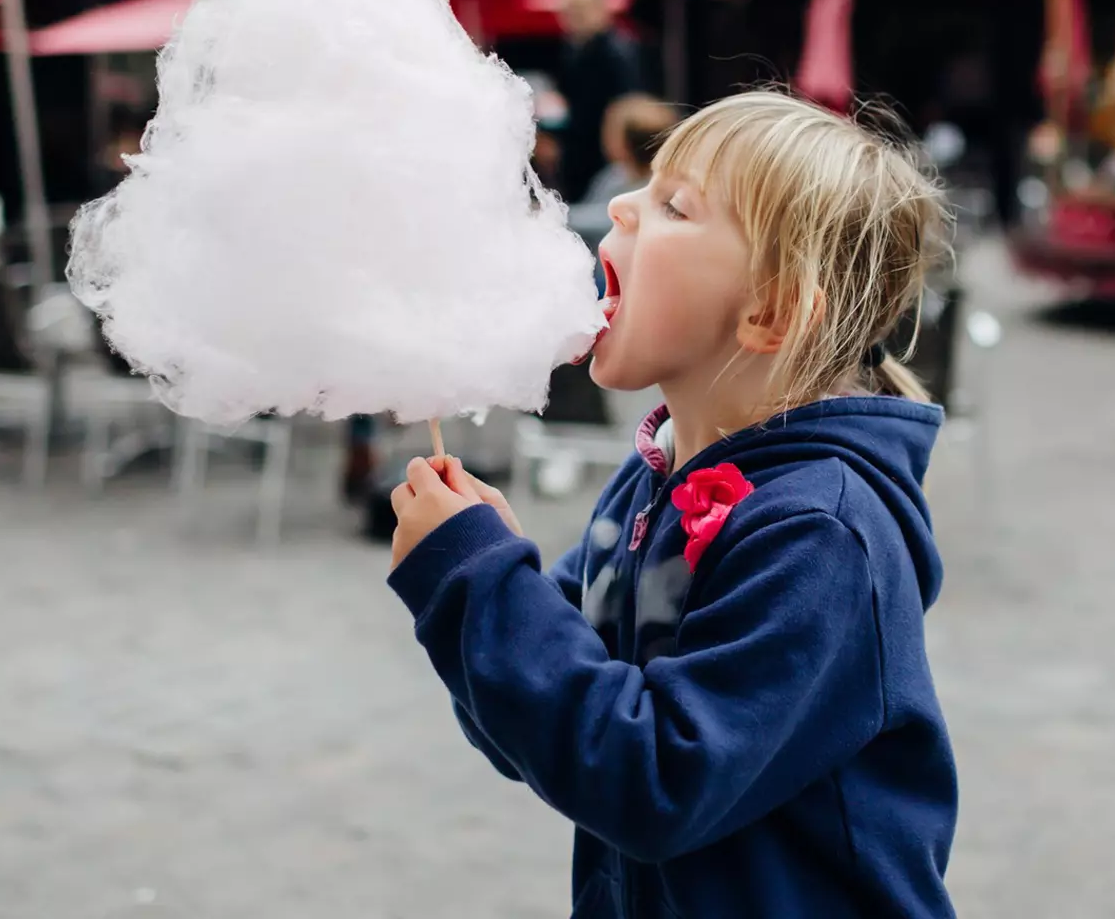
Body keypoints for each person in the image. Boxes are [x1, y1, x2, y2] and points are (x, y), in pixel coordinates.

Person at [386, 91, 956, 919]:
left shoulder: (820, 534)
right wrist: (497, 584)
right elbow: (546, 739)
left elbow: (654, 782)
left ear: (772, 311)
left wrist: (478, 584)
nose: (621, 203)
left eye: (674, 206)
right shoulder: (654, 475)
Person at [554, 0, 641, 203]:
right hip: (579, 154)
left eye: (580, 9)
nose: (573, 17)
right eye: (569, 10)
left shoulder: (615, 51)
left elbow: (628, 107)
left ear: (600, 7)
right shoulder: (573, 50)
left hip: (607, 157)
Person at [567, 92, 680, 245]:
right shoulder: (614, 175)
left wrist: (555, 214)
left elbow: (604, 219)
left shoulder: (660, 187)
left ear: (624, 143)